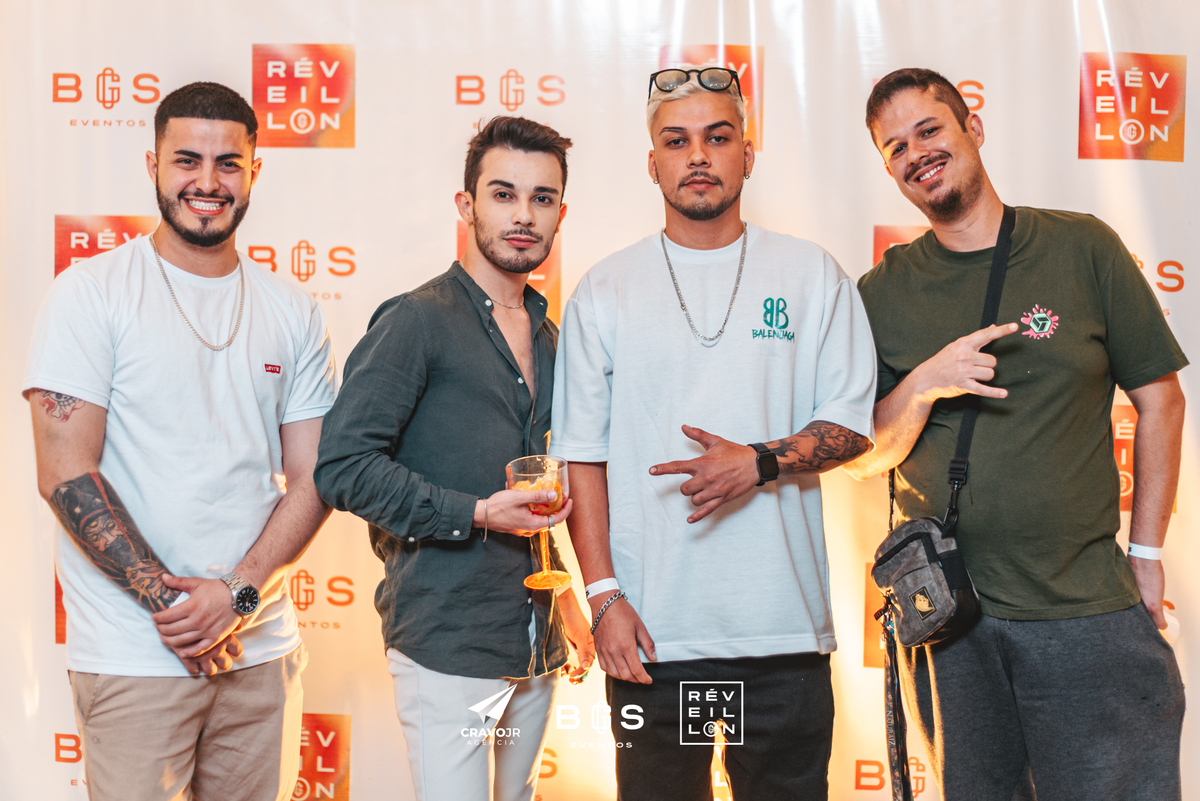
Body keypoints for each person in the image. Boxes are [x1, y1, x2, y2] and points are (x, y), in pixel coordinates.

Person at [851, 67, 1187, 800]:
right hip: (952, 618)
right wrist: (925, 382)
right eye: (895, 147)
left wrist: (1147, 553)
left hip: (1085, 610)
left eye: (930, 130)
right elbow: (863, 454)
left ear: (973, 127)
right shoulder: (881, 292)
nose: (917, 153)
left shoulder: (1082, 247)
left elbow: (1161, 400)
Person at [551, 68, 877, 800]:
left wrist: (758, 463)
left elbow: (852, 426)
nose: (698, 155)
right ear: (653, 163)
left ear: (747, 155)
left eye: (718, 137)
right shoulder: (605, 289)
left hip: (784, 636)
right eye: (677, 141)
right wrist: (603, 598)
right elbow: (582, 458)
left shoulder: (812, 274)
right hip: (652, 640)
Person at [25, 82, 337, 801]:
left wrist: (237, 597)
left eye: (228, 163)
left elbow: (315, 477)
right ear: (154, 165)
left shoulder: (293, 309)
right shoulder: (91, 293)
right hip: (133, 655)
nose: (207, 181)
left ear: (254, 171)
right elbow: (64, 473)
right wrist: (181, 613)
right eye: (187, 160)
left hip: (260, 651)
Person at [313, 116, 595, 801]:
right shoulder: (416, 320)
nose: (523, 215)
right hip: (447, 638)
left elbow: (540, 493)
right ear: (467, 205)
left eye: (542, 198)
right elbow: (342, 466)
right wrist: (477, 512)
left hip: (536, 637)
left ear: (561, 213)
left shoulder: (552, 338)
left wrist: (568, 601)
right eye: (503, 194)